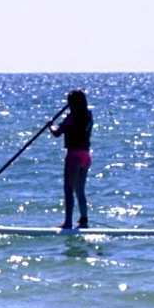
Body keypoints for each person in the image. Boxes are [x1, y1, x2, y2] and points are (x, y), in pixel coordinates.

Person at [50, 90, 93, 228]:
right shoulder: (88, 115)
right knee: (80, 189)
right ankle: (84, 219)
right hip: (86, 155)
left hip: (74, 155)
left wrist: (50, 125)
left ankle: (68, 222)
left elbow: (57, 132)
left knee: (68, 189)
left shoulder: (71, 117)